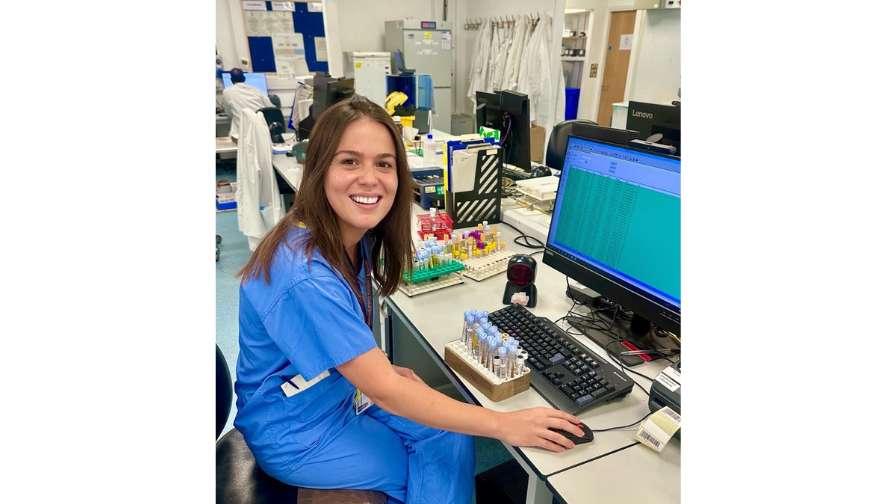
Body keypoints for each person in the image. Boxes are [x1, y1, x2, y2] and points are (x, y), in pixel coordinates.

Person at [234, 95, 584, 504]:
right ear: (320, 169)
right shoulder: (304, 274)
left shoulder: (350, 239)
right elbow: (384, 391)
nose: (370, 178)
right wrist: (505, 424)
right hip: (294, 429)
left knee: (451, 438)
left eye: (384, 164)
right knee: (425, 468)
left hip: (334, 393)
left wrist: (377, 372)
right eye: (350, 161)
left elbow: (357, 359)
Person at [222, 68, 274, 140]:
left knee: (235, 124)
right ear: (244, 78)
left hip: (242, 134)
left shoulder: (227, 92)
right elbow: (271, 108)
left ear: (231, 80)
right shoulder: (256, 90)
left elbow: (229, 112)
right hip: (261, 132)